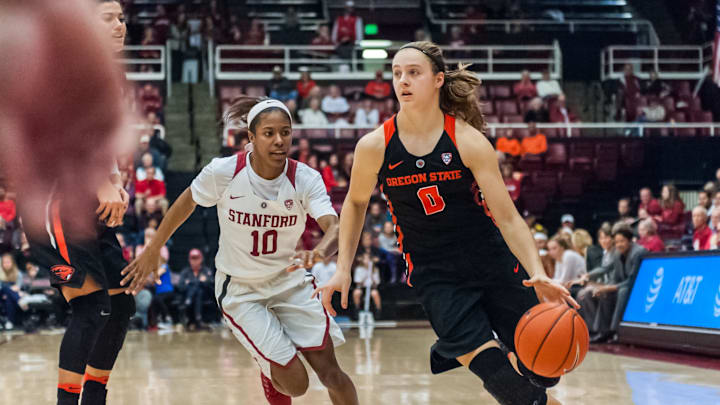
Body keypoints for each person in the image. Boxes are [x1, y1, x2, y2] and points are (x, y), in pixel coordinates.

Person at [314, 41, 575, 405]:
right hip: (435, 272)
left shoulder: (467, 140)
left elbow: (508, 217)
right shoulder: (375, 145)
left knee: (545, 369)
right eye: (397, 73)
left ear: (438, 80)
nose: (403, 81)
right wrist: (343, 268)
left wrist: (538, 272)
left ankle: (519, 364)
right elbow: (356, 203)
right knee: (508, 386)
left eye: (414, 73)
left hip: (490, 260)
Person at [122, 97, 358, 405]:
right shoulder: (224, 171)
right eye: (269, 133)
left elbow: (334, 225)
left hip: (290, 282)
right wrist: (154, 248)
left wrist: (320, 251)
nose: (279, 141)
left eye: (285, 132)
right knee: (296, 384)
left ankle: (270, 356)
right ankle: (268, 363)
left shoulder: (304, 177)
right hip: (241, 290)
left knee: (331, 374)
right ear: (251, 137)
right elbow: (187, 202)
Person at [15, 2, 135, 404]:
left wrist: (115, 184)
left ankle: (94, 398)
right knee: (93, 307)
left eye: (121, 18)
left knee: (120, 306)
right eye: (108, 18)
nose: (119, 26)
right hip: (56, 205)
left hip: (88, 204)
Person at [576, 224, 645, 343]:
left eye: (622, 241)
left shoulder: (638, 252)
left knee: (622, 292)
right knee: (602, 293)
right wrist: (599, 284)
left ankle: (616, 331)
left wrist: (609, 288)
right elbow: (608, 270)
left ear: (629, 240)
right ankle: (603, 331)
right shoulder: (618, 253)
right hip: (622, 285)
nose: (619, 244)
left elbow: (632, 280)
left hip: (638, 286)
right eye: (617, 242)